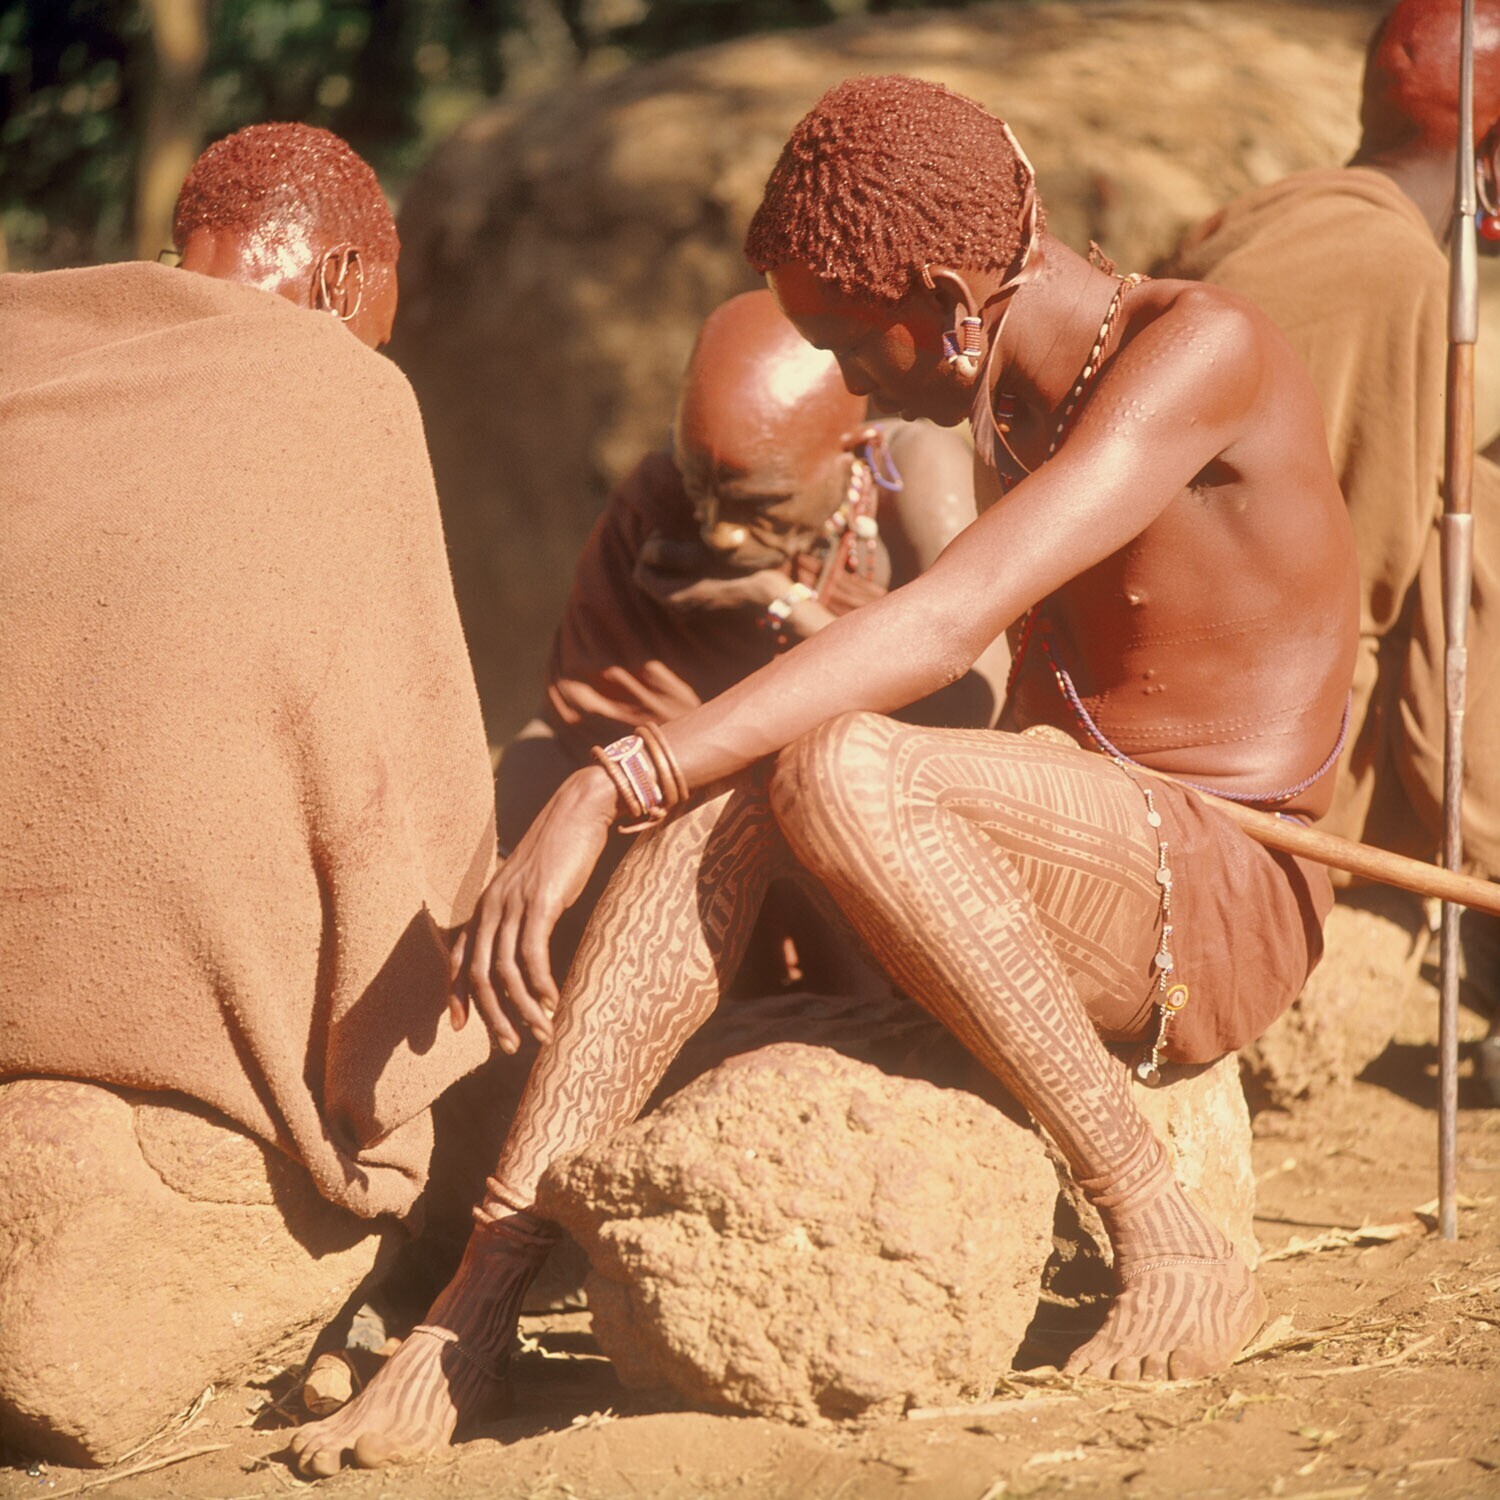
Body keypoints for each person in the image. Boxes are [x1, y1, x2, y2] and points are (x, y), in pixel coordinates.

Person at [289, 76, 1358, 1475]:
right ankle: (475, 1309)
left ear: (947, 299)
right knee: (736, 784)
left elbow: (946, 626)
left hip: (1219, 879)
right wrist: (658, 778)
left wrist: (610, 781)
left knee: (841, 764)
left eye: (853, 344)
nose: (853, 386)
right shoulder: (1008, 388)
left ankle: (1165, 1230)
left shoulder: (1203, 351)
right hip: (1069, 847)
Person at [0, 123, 494, 1459]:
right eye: (379, 322)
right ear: (340, 280)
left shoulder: (27, 336)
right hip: (192, 1092)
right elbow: (416, 786)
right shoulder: (345, 388)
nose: (374, 349)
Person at [493, 287, 1007, 1011]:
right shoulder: (657, 501)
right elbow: (590, 709)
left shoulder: (914, 478)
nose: (720, 532)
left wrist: (779, 602)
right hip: (678, 827)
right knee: (531, 784)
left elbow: (970, 712)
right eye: (701, 490)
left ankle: (861, 1013)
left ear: (852, 454)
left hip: (859, 822)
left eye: (758, 504)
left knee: (814, 794)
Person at [1170, 0, 1500, 1080]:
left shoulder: (1246, 222)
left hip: (1173, 697)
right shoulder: (1405, 278)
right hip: (1284, 748)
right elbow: (1402, 580)